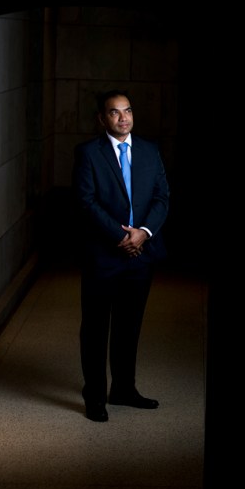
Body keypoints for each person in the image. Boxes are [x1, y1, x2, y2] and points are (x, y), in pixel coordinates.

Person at [73, 89, 171, 422]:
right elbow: (86, 202)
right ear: (102, 118)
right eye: (115, 113)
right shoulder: (88, 153)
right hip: (103, 254)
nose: (123, 117)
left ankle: (124, 389)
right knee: (97, 328)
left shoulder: (149, 150)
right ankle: (95, 396)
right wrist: (121, 235)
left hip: (141, 254)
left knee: (130, 326)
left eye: (128, 110)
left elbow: (162, 198)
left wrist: (143, 233)